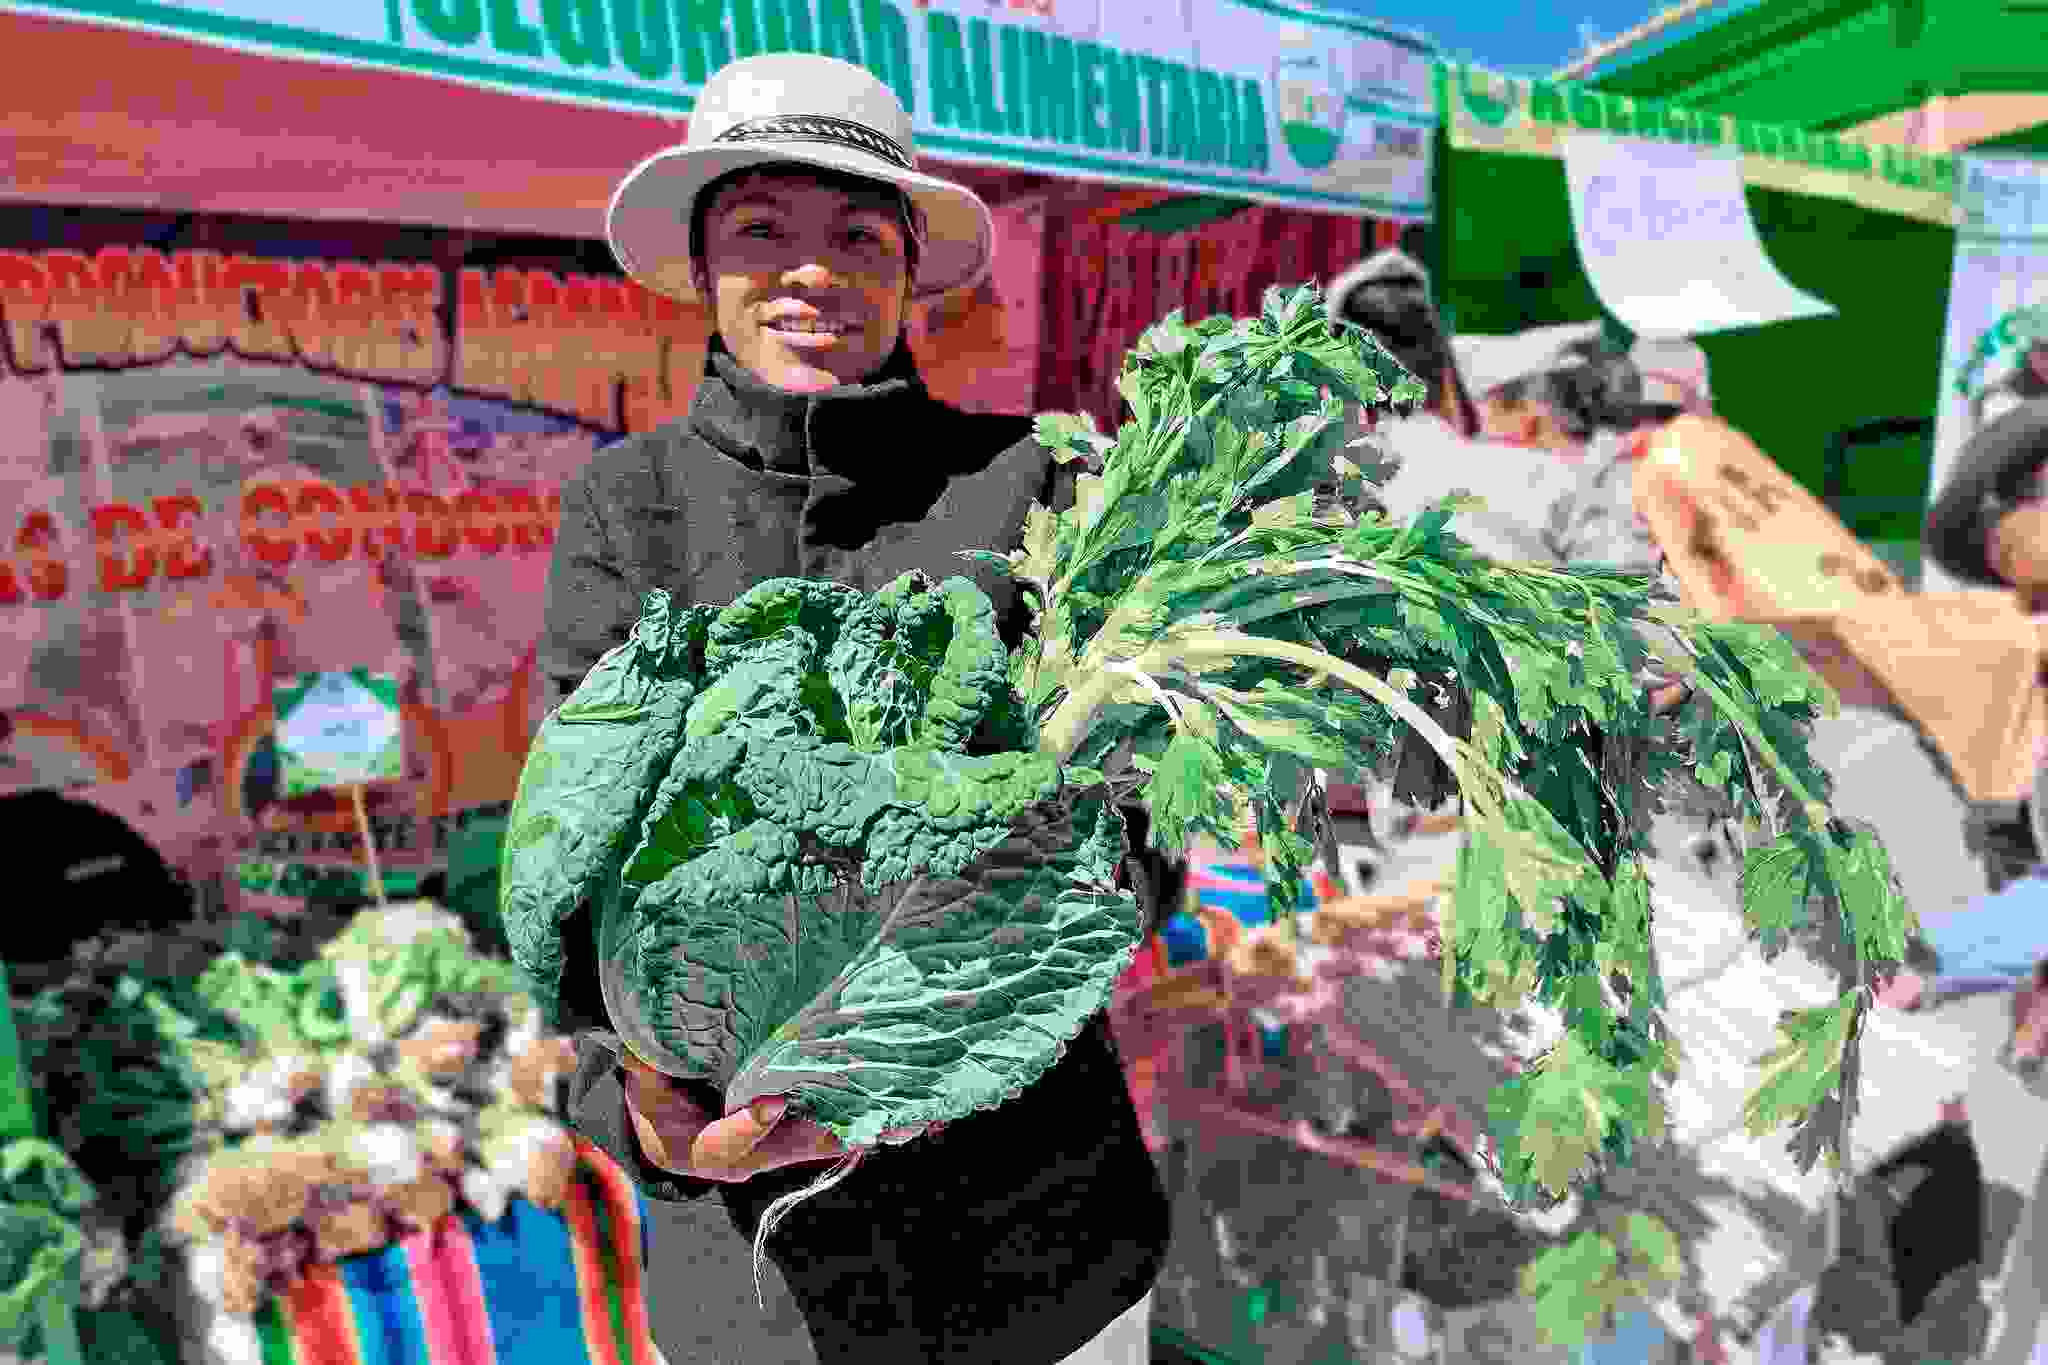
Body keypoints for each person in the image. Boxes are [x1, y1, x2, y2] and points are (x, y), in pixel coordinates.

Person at [537, 53, 1169, 1365]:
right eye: (763, 231)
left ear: (909, 271)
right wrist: (639, 1101)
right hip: (763, 1282)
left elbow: (1138, 829)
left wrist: (971, 1007)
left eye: (860, 238)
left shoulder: (1030, 481)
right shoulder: (625, 503)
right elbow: (572, 856)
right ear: (703, 264)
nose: (812, 272)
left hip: (1039, 1230)